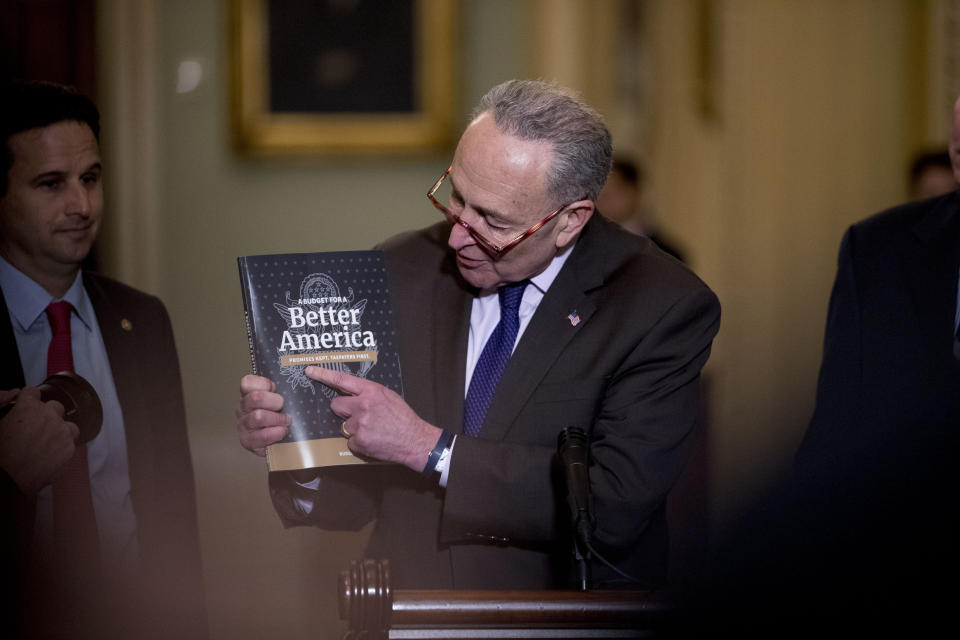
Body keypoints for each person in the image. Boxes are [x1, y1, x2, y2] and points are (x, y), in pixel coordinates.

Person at [237, 80, 720, 591]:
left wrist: (429, 447)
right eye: (456, 198)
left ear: (570, 221)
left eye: (492, 220)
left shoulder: (659, 304)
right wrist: (298, 448)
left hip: (562, 618)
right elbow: (355, 501)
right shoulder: (402, 268)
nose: (456, 235)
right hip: (410, 613)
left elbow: (616, 503)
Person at [0, 81, 207, 639]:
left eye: (90, 179)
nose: (81, 206)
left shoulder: (142, 321)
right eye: (51, 184)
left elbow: (174, 517)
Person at [595, 156, 686, 262]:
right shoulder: (578, 247)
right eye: (596, 196)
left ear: (633, 192)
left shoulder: (668, 255)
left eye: (608, 194)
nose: (600, 203)